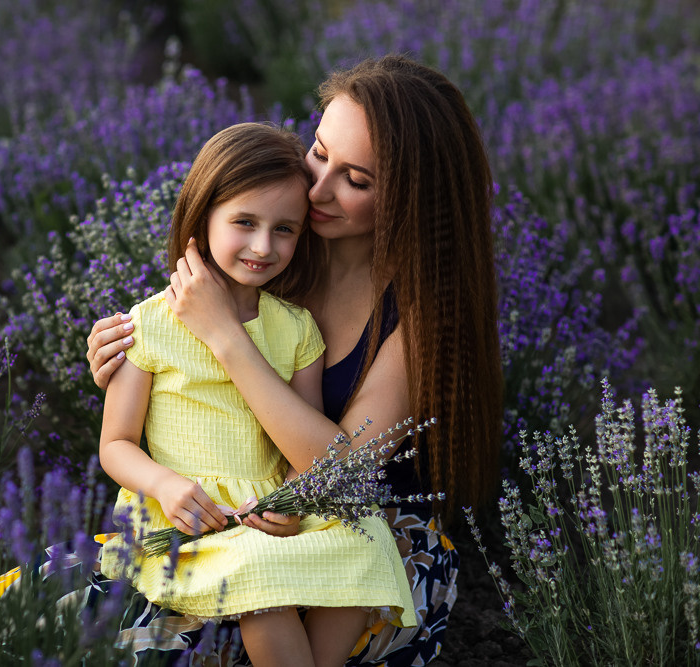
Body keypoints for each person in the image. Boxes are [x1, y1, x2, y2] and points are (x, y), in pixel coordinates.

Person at [86, 55, 503, 666]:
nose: (316, 189)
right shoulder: (275, 247)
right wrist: (123, 362)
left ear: (413, 199)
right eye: (318, 152)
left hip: (359, 525)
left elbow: (335, 474)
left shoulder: (418, 318)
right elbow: (175, 389)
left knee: (232, 626)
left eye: (355, 180)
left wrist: (228, 339)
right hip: (237, 507)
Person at [95, 120, 416, 667]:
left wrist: (291, 501)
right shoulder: (148, 324)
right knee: (262, 587)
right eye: (244, 223)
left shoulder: (294, 329)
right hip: (187, 513)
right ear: (202, 218)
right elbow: (116, 444)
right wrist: (166, 486)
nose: (263, 247)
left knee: (368, 549)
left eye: (285, 230)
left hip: (265, 503)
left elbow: (305, 441)